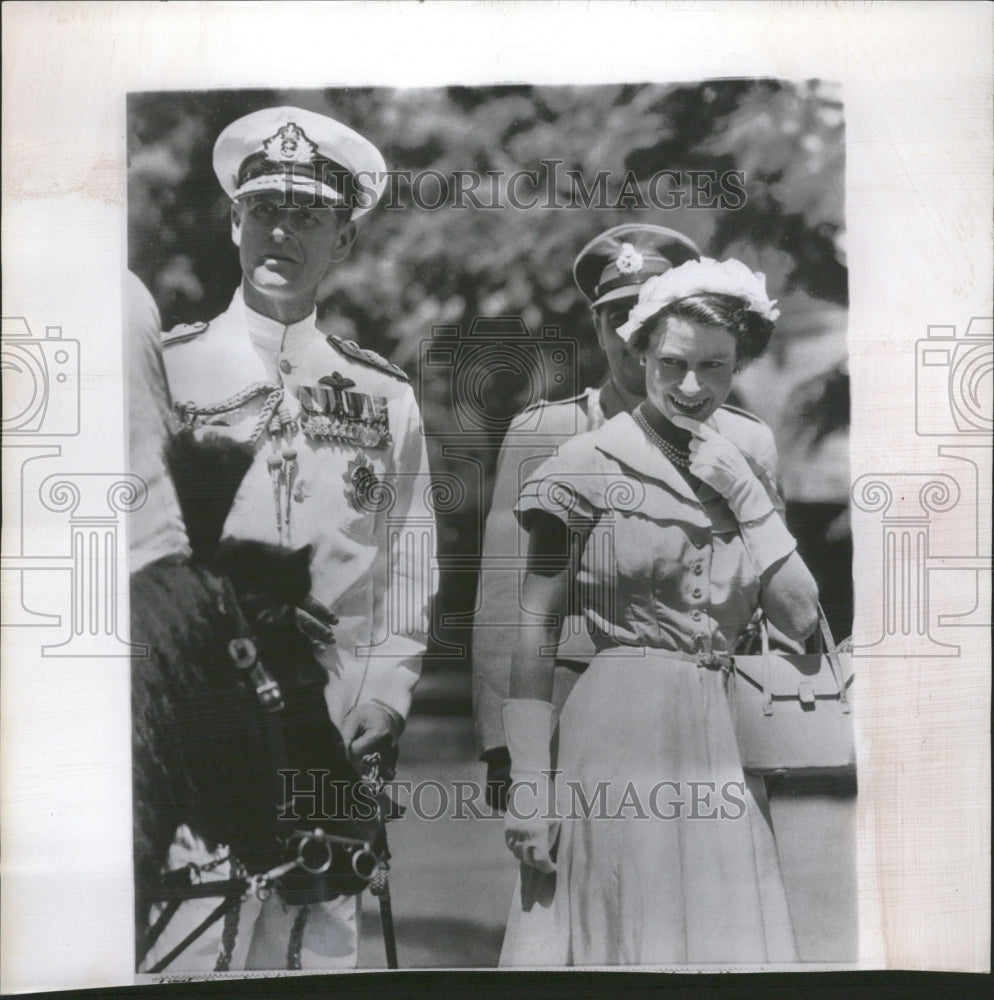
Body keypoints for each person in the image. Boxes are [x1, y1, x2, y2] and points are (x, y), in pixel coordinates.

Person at [148, 106, 436, 971]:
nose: (283, 229)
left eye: (309, 214)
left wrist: (383, 698)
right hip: (197, 718)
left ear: (344, 239)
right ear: (234, 220)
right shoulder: (167, 371)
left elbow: (406, 568)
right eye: (266, 208)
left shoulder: (383, 398)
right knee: (184, 947)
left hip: (331, 726)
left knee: (314, 952)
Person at [499, 257, 820, 965]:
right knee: (621, 932)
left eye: (716, 366)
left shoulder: (747, 462)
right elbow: (534, 628)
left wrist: (747, 497)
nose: (693, 386)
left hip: (726, 736)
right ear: (639, 348)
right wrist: (528, 782)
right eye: (673, 363)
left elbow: (801, 621)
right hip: (617, 729)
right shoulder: (583, 462)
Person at [472, 225, 700, 809]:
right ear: (597, 326)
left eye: (651, 314)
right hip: (570, 719)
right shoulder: (546, 432)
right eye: (617, 315)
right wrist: (506, 748)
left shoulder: (729, 441)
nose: (633, 335)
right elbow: (507, 599)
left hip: (703, 715)